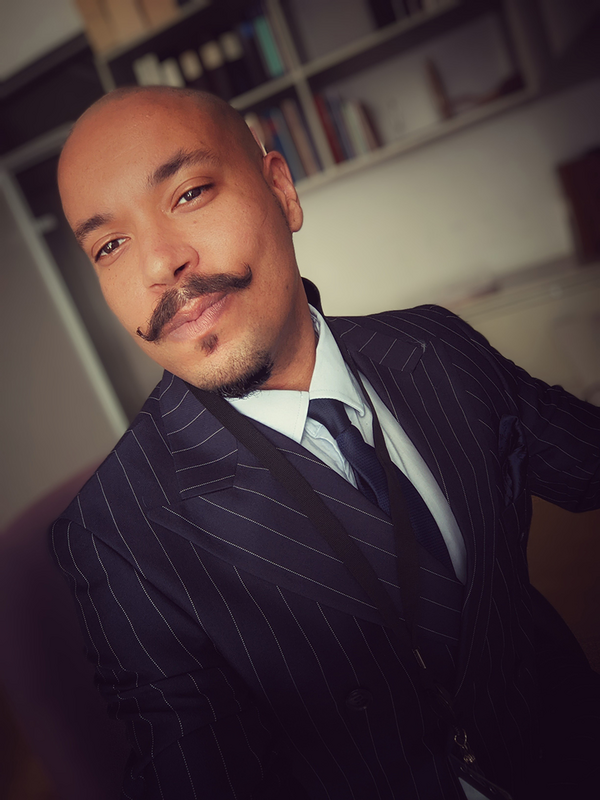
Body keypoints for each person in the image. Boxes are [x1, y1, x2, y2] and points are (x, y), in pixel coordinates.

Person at [52, 86, 600, 800]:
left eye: (189, 194)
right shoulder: (115, 534)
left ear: (281, 191)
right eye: (110, 245)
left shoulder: (435, 346)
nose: (159, 264)